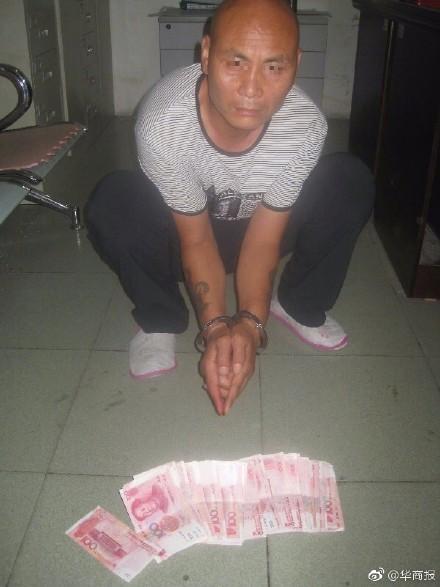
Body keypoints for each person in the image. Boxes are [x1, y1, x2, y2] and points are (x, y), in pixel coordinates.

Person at [85, 0, 374, 417]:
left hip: (258, 227)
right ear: (205, 54)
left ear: (296, 64)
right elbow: (197, 239)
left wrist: (251, 327)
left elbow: (264, 241)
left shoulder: (305, 126)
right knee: (115, 201)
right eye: (235, 63)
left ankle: (297, 302)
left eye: (274, 67)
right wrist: (217, 328)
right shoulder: (163, 122)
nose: (252, 89)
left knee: (349, 180)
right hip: (187, 233)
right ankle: (160, 317)